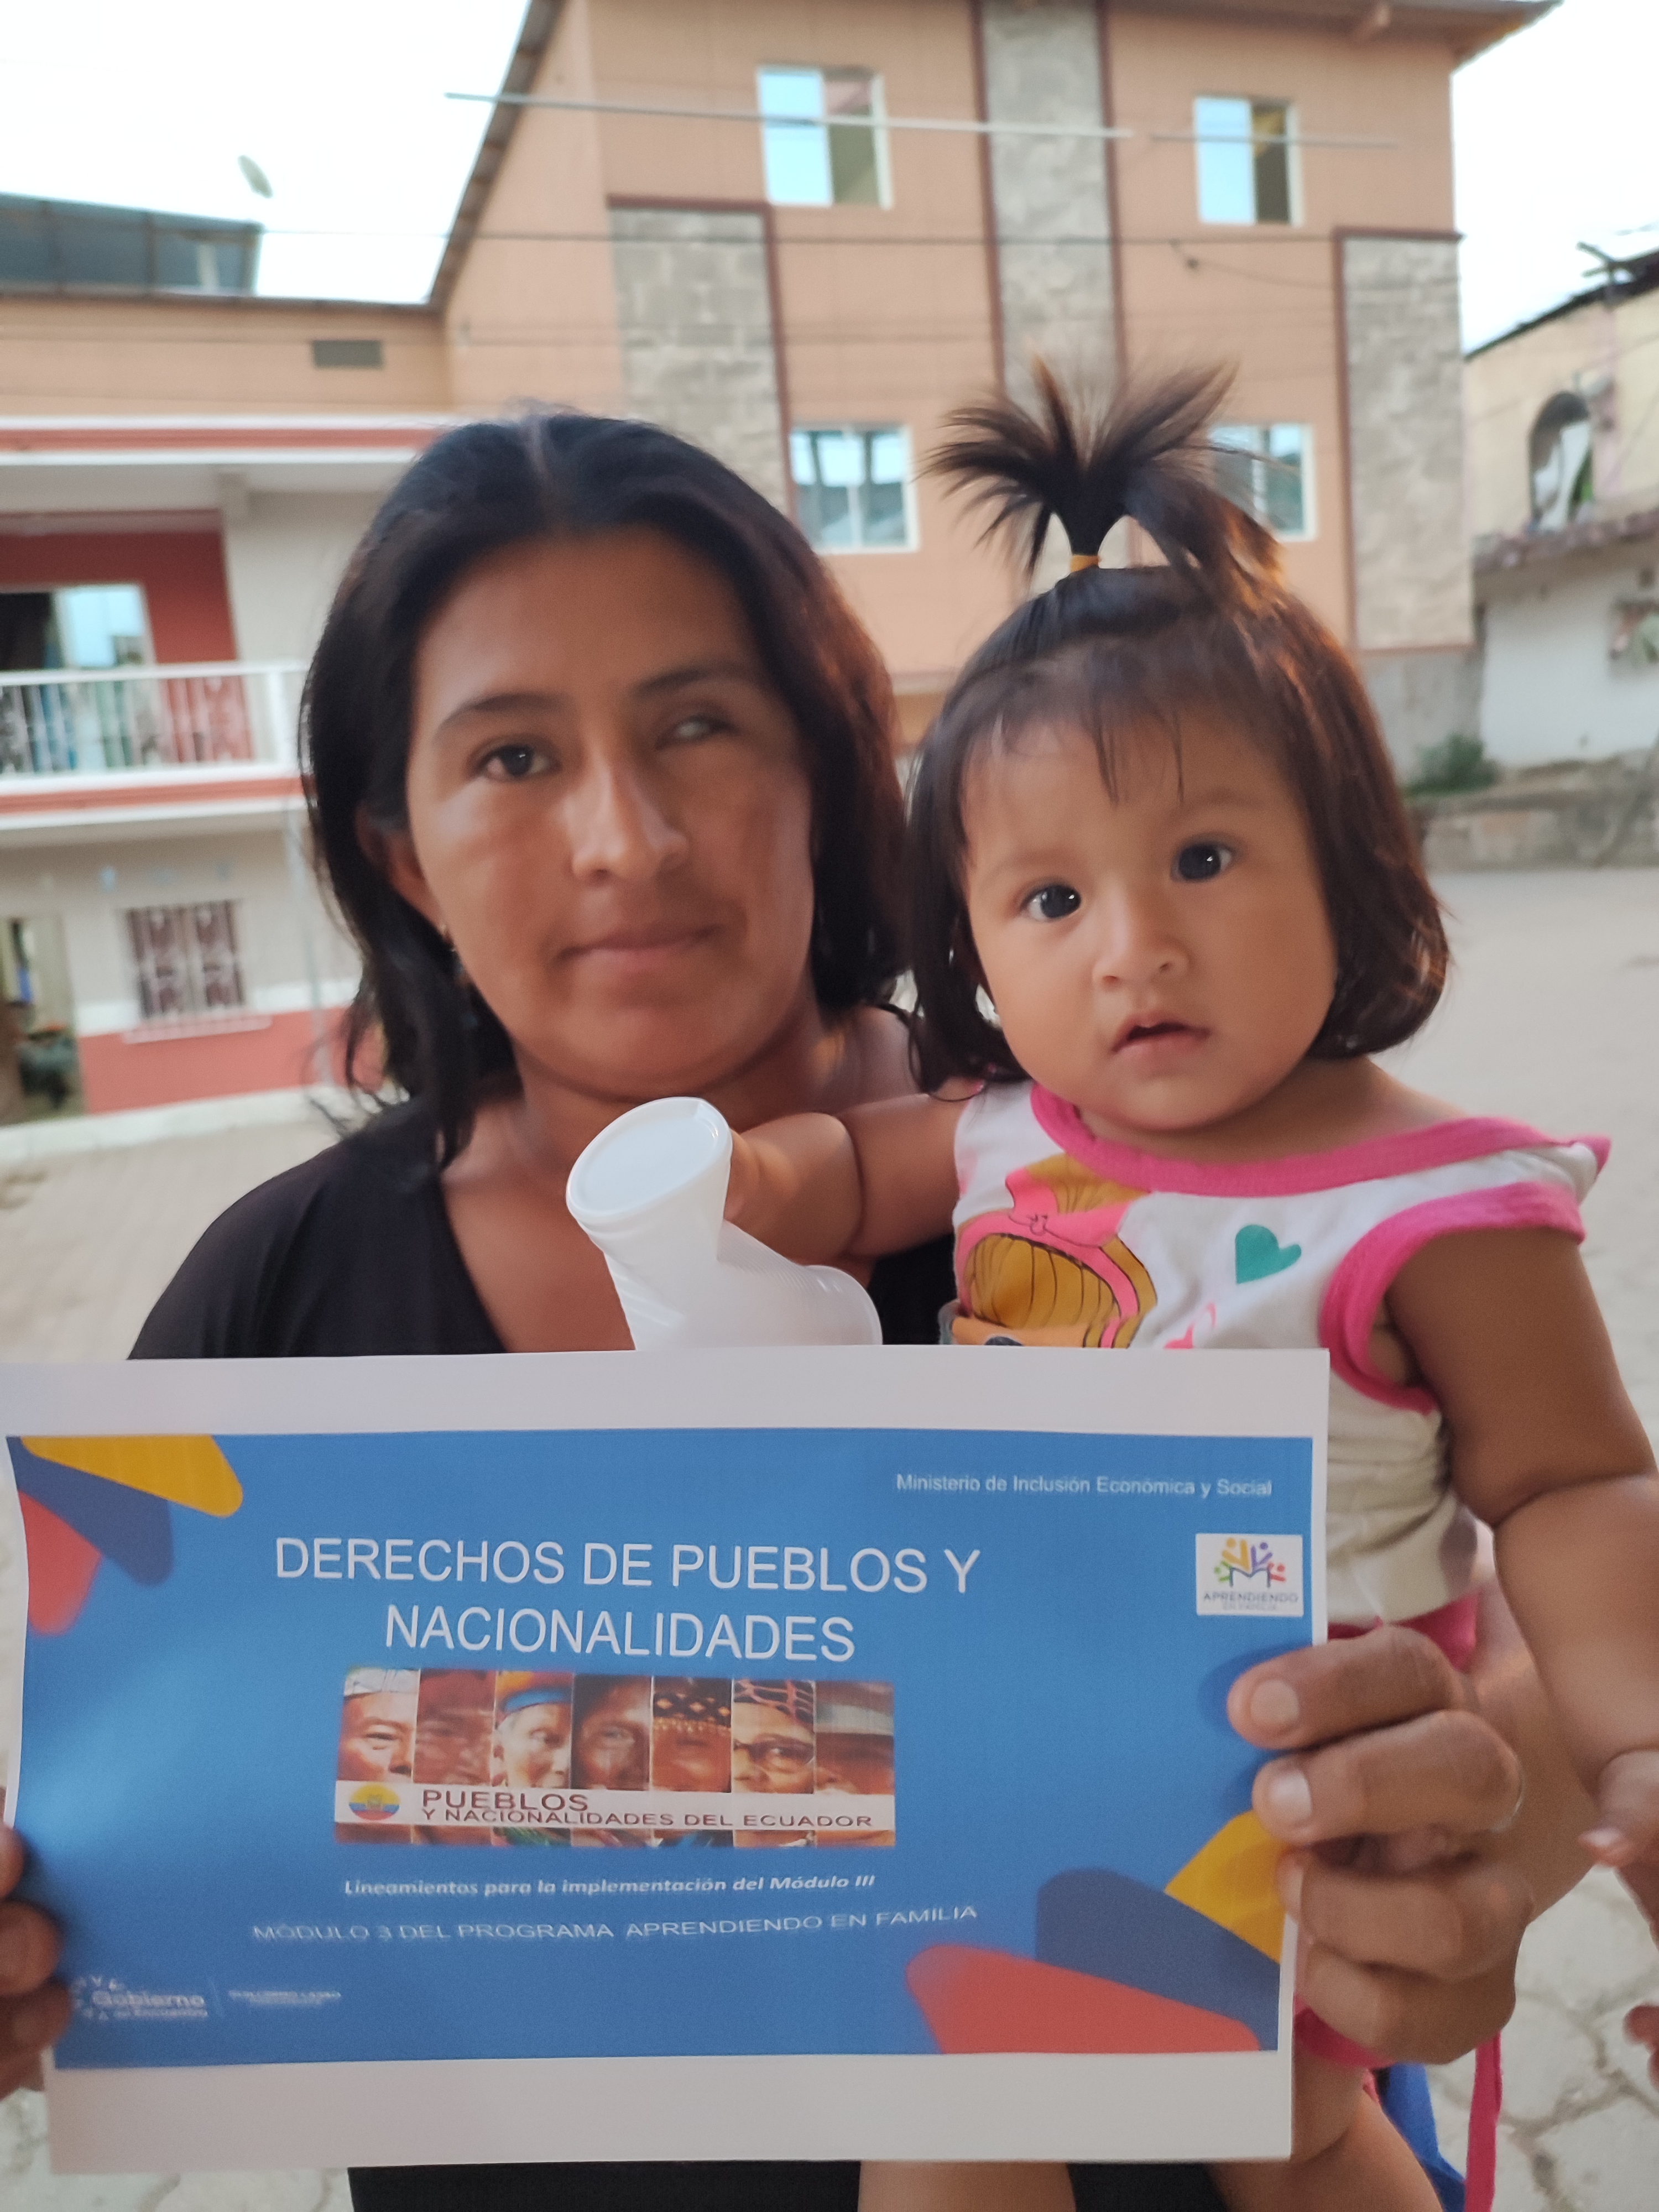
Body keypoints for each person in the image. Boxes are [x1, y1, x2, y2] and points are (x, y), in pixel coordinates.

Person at [0, 408, 1627, 2212]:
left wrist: (1492, 1826)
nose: (626, 839)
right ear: (401, 851)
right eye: (515, 756)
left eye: (698, 725)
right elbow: (140, 1790)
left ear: (829, 769)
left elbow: (1531, 1564)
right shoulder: (276, 1305)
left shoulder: (1098, 1177)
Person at [723, 367, 1659, 2212]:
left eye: (1205, 860)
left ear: (1351, 867)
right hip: (1015, 1750)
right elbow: (847, 1171)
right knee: (952, 2113)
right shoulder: (1004, 1133)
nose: (1135, 945)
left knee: (1292, 2134)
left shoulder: (1439, 1203)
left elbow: (1574, 1485)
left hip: (1310, 1799)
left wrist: (1633, 1740)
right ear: (972, 945)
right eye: (1051, 901)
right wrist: (744, 1181)